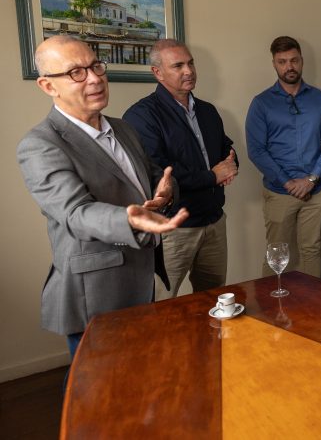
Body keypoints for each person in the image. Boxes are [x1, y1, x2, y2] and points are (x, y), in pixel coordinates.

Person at [16, 36, 188, 358]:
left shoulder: (124, 129)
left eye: (96, 66)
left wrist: (165, 193)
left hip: (142, 277)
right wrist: (129, 217)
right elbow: (75, 213)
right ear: (47, 86)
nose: (95, 78)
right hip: (95, 291)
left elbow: (155, 179)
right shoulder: (39, 144)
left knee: (139, 375)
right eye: (76, 73)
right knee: (95, 391)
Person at [124, 39, 237, 299]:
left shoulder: (207, 111)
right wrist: (212, 176)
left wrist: (229, 166)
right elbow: (158, 172)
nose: (189, 71)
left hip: (214, 223)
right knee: (162, 305)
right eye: (178, 65)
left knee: (215, 301)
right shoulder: (141, 116)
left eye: (190, 63)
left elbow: (227, 149)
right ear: (157, 72)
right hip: (174, 230)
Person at [246, 36, 321, 277]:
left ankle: (311, 310)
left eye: (294, 60)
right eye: (282, 61)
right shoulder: (261, 103)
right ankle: (269, 311)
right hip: (279, 192)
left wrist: (311, 179)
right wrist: (288, 182)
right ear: (274, 64)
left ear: (302, 61)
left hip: (315, 191)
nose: (289, 66)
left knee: (311, 250)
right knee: (276, 254)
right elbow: (256, 150)